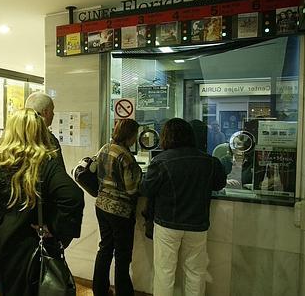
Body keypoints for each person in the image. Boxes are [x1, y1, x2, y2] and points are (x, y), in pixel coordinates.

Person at [0, 108, 84, 296]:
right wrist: (55, 229)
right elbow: (73, 196)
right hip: (28, 249)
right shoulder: (44, 165)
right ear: (39, 131)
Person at [140, 118, 227, 296]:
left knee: (165, 272)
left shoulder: (160, 161)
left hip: (167, 224)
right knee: (195, 272)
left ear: (166, 136)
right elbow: (219, 185)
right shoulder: (209, 161)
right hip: (197, 224)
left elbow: (146, 188)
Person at [93, 118, 142, 296]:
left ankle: (99, 290)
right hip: (120, 211)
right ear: (130, 136)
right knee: (122, 255)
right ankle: (124, 292)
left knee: (105, 248)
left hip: (101, 205)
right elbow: (131, 189)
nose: (135, 139)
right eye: (135, 135)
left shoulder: (105, 148)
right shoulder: (125, 157)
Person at [25, 92, 66, 169]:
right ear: (45, 112)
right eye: (52, 110)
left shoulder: (16, 136)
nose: (53, 114)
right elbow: (58, 171)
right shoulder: (49, 140)